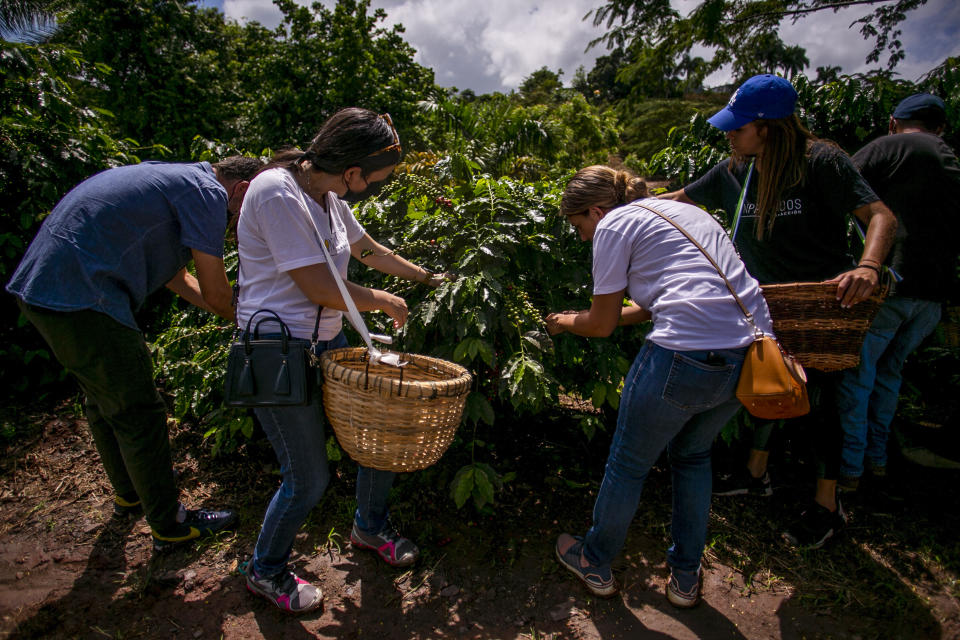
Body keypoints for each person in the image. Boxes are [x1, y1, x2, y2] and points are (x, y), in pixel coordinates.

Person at [660, 74, 898, 548]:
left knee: (819, 403)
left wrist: (869, 266)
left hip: (820, 308)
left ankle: (828, 507)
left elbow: (880, 216)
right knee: (767, 385)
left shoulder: (820, 162)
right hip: (764, 306)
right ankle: (755, 474)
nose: (730, 134)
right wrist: (619, 208)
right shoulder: (734, 171)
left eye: (739, 127)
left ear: (768, 128)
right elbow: (676, 202)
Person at [238, 108, 445, 614]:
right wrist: (384, 300)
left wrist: (429, 280)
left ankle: (369, 527)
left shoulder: (329, 201)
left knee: (379, 438)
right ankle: (265, 570)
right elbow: (315, 285)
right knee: (306, 477)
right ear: (352, 170)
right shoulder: (276, 191)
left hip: (326, 344)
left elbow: (369, 250)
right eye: (375, 179)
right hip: (274, 351)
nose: (373, 187)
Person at [545, 165, 775, 608]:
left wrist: (564, 322)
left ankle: (594, 559)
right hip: (749, 354)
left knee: (628, 463)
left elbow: (602, 324)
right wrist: (583, 317)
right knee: (692, 457)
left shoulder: (614, 224)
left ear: (596, 210)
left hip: (683, 354)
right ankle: (686, 576)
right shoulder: (690, 215)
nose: (582, 237)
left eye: (579, 226)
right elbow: (657, 305)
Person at [6, 156, 262, 550]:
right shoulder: (209, 194)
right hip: (82, 296)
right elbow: (216, 292)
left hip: (45, 288)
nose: (243, 226)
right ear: (242, 189)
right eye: (252, 210)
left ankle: (130, 495)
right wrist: (256, 320)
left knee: (105, 399)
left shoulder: (176, 179)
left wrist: (229, 314)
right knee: (139, 412)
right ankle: (169, 524)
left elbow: (178, 279)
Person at [836, 93, 960, 491]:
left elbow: (837, 187)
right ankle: (878, 462)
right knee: (889, 376)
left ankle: (849, 471)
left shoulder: (888, 146)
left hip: (889, 285)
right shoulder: (951, 158)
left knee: (858, 377)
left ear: (893, 122)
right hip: (932, 297)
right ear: (940, 126)